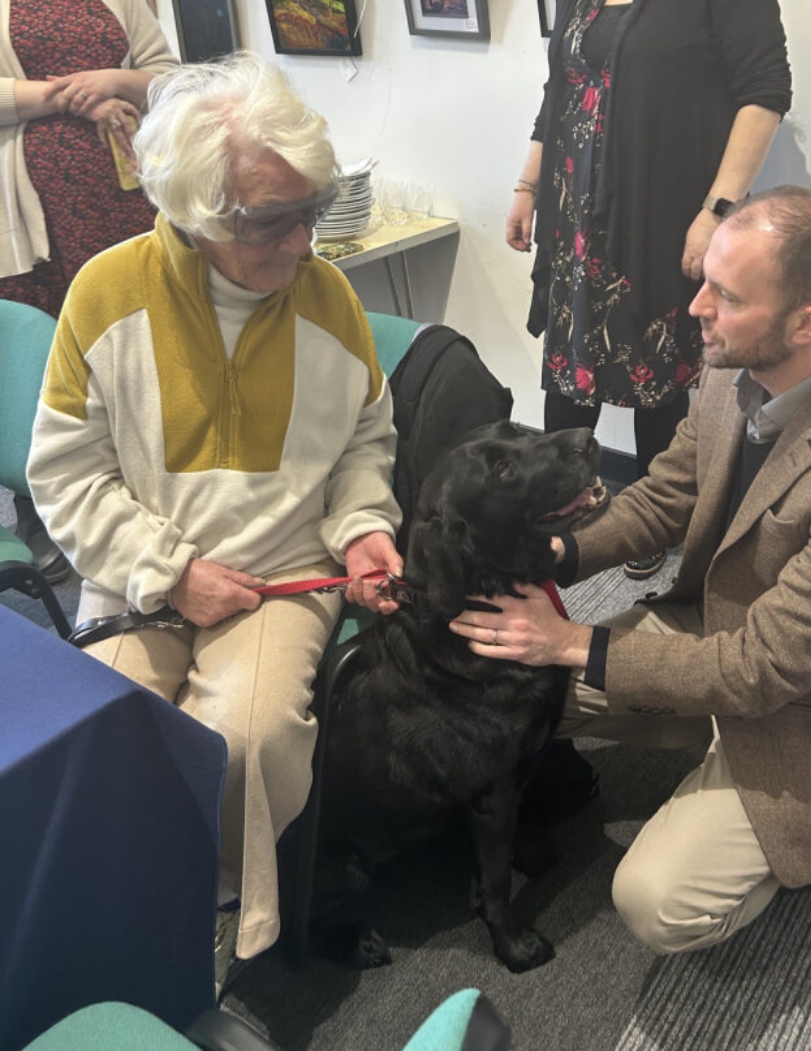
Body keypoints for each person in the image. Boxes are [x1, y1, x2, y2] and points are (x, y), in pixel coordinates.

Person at [455, 186, 811, 954]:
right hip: (718, 630)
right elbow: (665, 497)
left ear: (808, 324)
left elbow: (763, 671)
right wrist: (556, 555)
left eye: (727, 296)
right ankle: (694, 737)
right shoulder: (729, 370)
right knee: (514, 680)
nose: (696, 309)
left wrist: (570, 640)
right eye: (705, 281)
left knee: (654, 901)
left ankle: (788, 828)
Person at [27, 53, 404, 996]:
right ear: (196, 213)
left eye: (313, 209)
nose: (305, 242)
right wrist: (168, 572)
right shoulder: (104, 294)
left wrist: (363, 526)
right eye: (274, 220)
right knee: (101, 736)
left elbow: (365, 440)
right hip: (138, 570)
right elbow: (64, 474)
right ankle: (131, 916)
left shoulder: (329, 297)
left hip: (280, 574)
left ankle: (233, 923)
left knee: (243, 739)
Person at [506, 0, 792, 579]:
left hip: (657, 213)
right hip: (574, 219)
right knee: (569, 367)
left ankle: (651, 517)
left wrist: (716, 210)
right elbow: (559, 89)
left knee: (655, 370)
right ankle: (558, 502)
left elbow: (764, 95)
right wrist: (527, 186)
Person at [0, 0, 177, 581]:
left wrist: (114, 82)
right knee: (45, 361)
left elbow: (171, 81)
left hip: (123, 204)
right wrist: (71, 98)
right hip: (30, 223)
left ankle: (147, 491)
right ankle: (42, 505)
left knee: (138, 347)